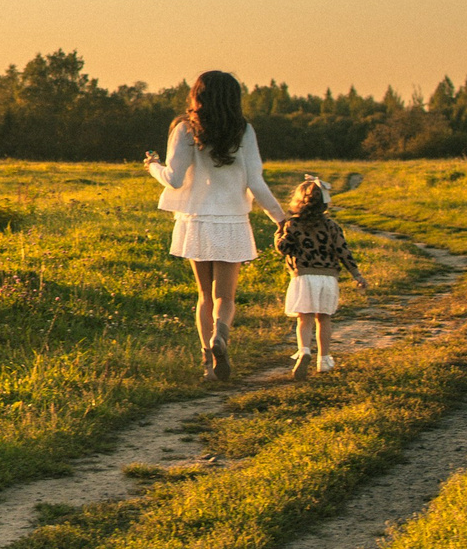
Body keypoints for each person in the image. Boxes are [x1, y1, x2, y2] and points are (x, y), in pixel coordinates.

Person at [144, 70, 284, 381]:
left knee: (204, 295)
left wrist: (153, 165)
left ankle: (208, 362)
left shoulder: (184, 129)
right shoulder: (243, 131)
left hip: (196, 220)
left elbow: (174, 178)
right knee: (226, 296)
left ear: (198, 96)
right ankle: (220, 336)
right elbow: (256, 182)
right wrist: (281, 219)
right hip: (232, 221)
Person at [273, 174, 368, 379]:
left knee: (304, 319)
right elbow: (343, 251)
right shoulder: (332, 226)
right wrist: (356, 274)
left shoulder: (293, 225)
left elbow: (284, 248)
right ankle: (324, 359)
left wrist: (278, 233)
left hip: (304, 277)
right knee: (324, 319)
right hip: (327, 278)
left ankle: (304, 350)